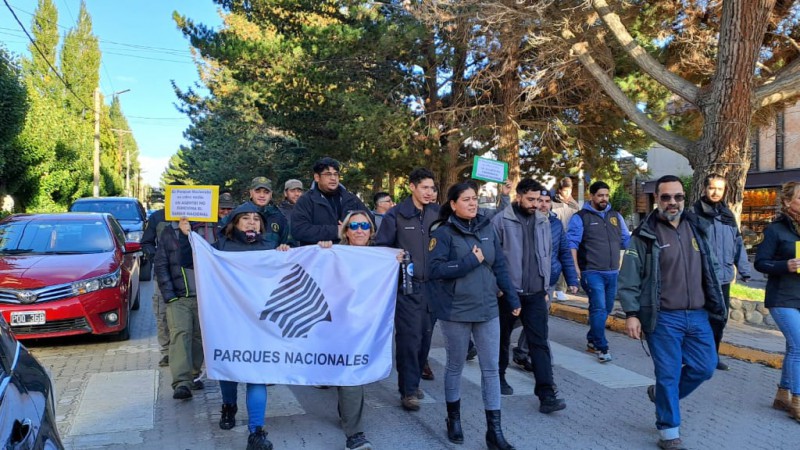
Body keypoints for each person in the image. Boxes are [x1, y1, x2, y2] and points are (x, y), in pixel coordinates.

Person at [618, 175, 725, 450]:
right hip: (663, 316)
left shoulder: (697, 227)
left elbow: (709, 266)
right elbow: (629, 277)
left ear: (684, 198)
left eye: (678, 197)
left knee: (705, 367)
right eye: (666, 197)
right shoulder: (644, 234)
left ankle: (662, 396)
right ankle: (668, 431)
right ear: (657, 199)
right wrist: (631, 313)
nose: (673, 202)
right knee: (668, 373)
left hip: (698, 315)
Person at [429, 181, 520, 450]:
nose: (472, 203)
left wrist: (512, 297)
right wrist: (470, 260)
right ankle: (453, 419)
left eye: (474, 198)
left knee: (490, 369)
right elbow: (436, 269)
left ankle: (494, 431)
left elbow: (500, 265)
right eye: (466, 199)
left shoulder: (487, 228)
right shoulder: (443, 233)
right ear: (453, 204)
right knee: (455, 365)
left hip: (488, 309)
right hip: (455, 310)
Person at [189, 203, 288, 450]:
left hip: (260, 324)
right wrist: (185, 235)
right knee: (230, 367)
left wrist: (286, 252)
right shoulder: (220, 247)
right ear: (235, 223)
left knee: (257, 374)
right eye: (246, 218)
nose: (252, 222)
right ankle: (228, 406)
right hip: (228, 320)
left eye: (256, 219)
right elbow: (190, 259)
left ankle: (256, 431)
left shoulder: (270, 247)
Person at [317, 210, 404, 450]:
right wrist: (319, 251)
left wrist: (396, 264)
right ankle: (353, 430)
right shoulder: (331, 254)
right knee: (348, 374)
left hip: (366, 328)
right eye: (353, 225)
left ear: (371, 231)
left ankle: (351, 423)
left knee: (352, 375)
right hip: (336, 327)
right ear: (345, 230)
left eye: (364, 226)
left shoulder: (381, 257)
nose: (359, 230)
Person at [492, 179, 567, 415]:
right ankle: (499, 378)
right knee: (502, 339)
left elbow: (545, 255)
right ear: (519, 197)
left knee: (539, 343)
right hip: (508, 293)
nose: (536, 204)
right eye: (531, 199)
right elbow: (493, 258)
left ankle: (547, 394)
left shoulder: (543, 221)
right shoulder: (501, 221)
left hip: (536, 293)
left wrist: (545, 287)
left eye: (539, 200)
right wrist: (500, 288)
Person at [374, 168, 439, 411]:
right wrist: (395, 255)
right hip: (407, 288)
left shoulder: (437, 214)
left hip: (433, 288)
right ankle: (408, 390)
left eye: (432, 188)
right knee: (409, 339)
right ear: (412, 187)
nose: (429, 192)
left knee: (425, 338)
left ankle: (414, 380)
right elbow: (382, 248)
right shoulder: (396, 215)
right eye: (425, 187)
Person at [512, 188, 579, 374]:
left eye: (546, 201)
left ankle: (526, 353)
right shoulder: (524, 221)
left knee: (538, 319)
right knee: (518, 318)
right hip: (526, 280)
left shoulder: (556, 225)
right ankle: (505, 345)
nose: (542, 204)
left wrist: (572, 279)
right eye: (539, 200)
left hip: (548, 281)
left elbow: (564, 253)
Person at [692, 174, 752, 370]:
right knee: (701, 318)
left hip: (724, 278)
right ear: (704, 189)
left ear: (724, 191)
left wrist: (744, 269)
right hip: (701, 277)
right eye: (712, 188)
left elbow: (738, 243)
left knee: (720, 318)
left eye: (719, 189)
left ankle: (713, 356)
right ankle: (696, 355)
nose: (715, 192)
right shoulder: (694, 214)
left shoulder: (728, 215)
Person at [567, 180, 630, 362]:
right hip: (591, 271)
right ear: (592, 196)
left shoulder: (616, 216)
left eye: (606, 195)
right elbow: (572, 244)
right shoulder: (581, 217)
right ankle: (602, 348)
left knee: (606, 309)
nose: (604, 199)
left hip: (612, 272)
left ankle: (592, 340)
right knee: (599, 308)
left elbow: (626, 240)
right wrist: (575, 269)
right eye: (600, 195)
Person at [754, 181, 800, 423]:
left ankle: (782, 394)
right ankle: (798, 402)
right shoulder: (775, 230)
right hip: (782, 297)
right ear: (787, 202)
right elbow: (760, 263)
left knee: (794, 348)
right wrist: (786, 265)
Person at [154, 216, 204, 402]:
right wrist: (170, 295)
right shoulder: (169, 232)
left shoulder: (208, 229)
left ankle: (194, 373)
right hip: (179, 296)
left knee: (198, 337)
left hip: (203, 297)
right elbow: (161, 264)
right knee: (181, 334)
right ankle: (182, 382)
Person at [291, 157, 371, 246]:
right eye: (328, 174)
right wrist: (336, 231)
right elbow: (298, 230)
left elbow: (371, 223)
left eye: (336, 174)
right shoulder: (306, 200)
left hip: (349, 255)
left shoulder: (351, 199)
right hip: (319, 256)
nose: (333, 178)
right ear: (317, 177)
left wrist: (353, 227)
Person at [142, 206, 170, 367]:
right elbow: (146, 242)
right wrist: (157, 257)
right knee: (162, 312)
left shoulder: (198, 215)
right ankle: (166, 352)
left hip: (191, 273)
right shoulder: (158, 217)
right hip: (163, 274)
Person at [551, 177, 579, 301]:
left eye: (569, 190)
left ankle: (561, 289)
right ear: (560, 190)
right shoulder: (553, 203)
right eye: (564, 190)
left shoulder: (575, 205)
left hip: (570, 238)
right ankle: (553, 287)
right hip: (555, 236)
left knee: (566, 262)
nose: (567, 193)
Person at [243, 177, 292, 248]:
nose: (262, 195)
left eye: (266, 192)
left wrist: (284, 247)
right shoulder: (239, 215)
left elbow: (290, 245)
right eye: (258, 191)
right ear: (251, 193)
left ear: (271, 194)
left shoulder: (279, 217)